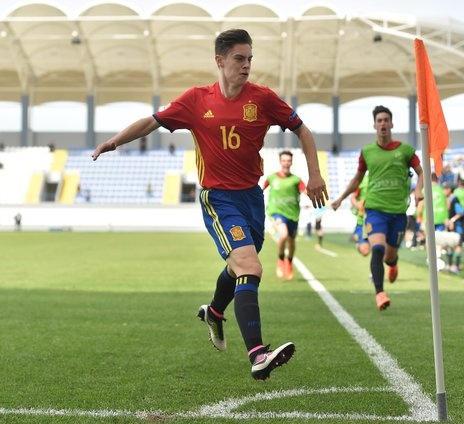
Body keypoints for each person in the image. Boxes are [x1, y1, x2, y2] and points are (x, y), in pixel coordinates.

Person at [92, 29, 328, 381]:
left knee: (239, 267)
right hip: (218, 199)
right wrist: (114, 141)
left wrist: (315, 175)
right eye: (239, 59)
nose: (246, 66)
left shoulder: (262, 99)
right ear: (220, 61)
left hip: (251, 198)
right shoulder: (195, 100)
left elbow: (303, 130)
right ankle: (258, 354)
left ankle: (216, 312)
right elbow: (151, 122)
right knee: (251, 264)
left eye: (249, 59)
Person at [331, 105, 423, 311]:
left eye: (386, 120)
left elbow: (421, 172)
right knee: (377, 249)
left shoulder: (405, 150)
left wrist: (418, 190)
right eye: (379, 120)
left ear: (392, 124)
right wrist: (341, 198)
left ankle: (393, 263)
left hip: (398, 212)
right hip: (374, 210)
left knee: (389, 255)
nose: (382, 124)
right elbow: (357, 179)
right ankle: (380, 293)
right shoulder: (367, 152)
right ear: (374, 125)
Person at [263, 150, 306, 281]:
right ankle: (281, 260)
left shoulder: (296, 180)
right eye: (284, 160)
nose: (286, 163)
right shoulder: (271, 178)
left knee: (291, 242)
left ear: (291, 162)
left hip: (293, 215)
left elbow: (306, 191)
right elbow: (259, 190)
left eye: (288, 161)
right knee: (283, 234)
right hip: (276, 212)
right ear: (280, 162)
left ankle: (289, 262)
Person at [350, 173, 370, 256]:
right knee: (365, 249)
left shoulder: (382, 180)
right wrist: (358, 205)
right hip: (363, 221)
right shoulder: (362, 181)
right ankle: (360, 241)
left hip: (378, 218)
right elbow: (353, 197)